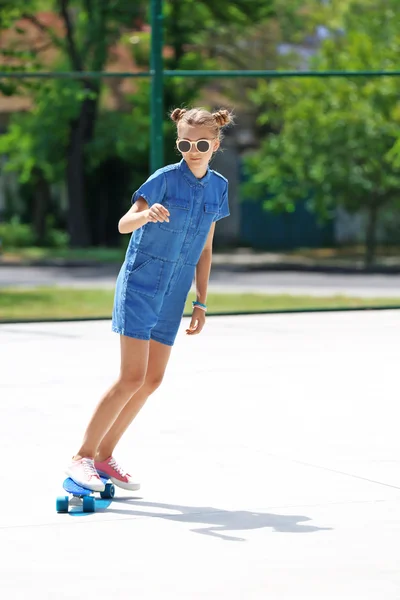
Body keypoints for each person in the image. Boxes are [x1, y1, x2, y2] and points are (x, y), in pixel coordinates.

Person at [65, 106, 233, 491]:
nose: (193, 149)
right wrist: (145, 215)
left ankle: (105, 457)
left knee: (152, 379)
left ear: (216, 145)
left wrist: (201, 301)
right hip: (141, 285)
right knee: (131, 377)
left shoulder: (218, 187)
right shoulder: (163, 180)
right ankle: (81, 457)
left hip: (174, 292)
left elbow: (206, 249)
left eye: (202, 143)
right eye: (185, 143)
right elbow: (125, 223)